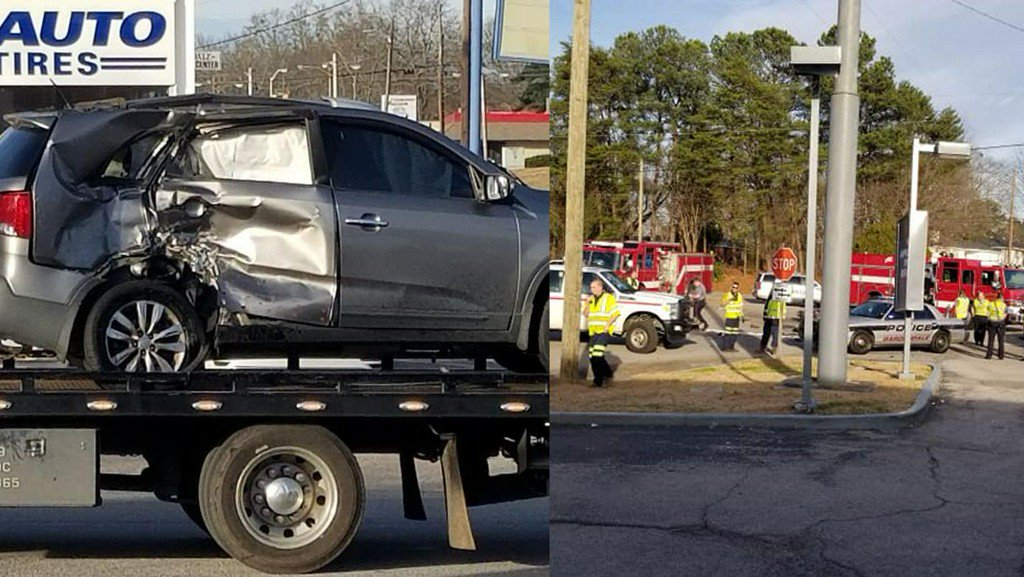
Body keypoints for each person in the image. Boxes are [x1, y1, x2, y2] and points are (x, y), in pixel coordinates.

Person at [584, 278, 620, 387]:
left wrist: (607, 325)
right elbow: (585, 314)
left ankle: (598, 381)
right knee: (592, 356)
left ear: (600, 287)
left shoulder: (608, 298)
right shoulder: (591, 299)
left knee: (597, 356)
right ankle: (607, 373)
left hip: (603, 331)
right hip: (594, 331)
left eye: (594, 287)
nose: (592, 289)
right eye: (591, 287)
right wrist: (588, 303)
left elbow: (615, 314)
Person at [759, 283, 787, 356]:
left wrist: (781, 319)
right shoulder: (770, 299)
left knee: (775, 336)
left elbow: (783, 310)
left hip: (776, 320)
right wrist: (765, 317)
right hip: (768, 319)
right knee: (766, 334)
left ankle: (774, 350)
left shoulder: (781, 299)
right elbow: (766, 308)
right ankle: (762, 347)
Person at [719, 281, 744, 351]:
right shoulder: (727, 295)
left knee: (734, 333)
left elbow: (740, 306)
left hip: (736, 317)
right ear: (731, 287)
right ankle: (725, 347)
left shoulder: (739, 296)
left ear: (738, 288)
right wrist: (729, 300)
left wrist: (742, 315)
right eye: (733, 287)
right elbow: (722, 304)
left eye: (736, 288)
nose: (734, 289)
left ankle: (731, 347)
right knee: (728, 333)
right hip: (730, 317)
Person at [987, 290, 1007, 360]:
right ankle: (1001, 356)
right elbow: (1005, 313)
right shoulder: (1004, 305)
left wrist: (990, 318)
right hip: (1001, 323)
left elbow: (987, 313)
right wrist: (1002, 319)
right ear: (1001, 298)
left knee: (991, 340)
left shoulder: (991, 304)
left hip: (992, 322)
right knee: (1001, 340)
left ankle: (989, 355)